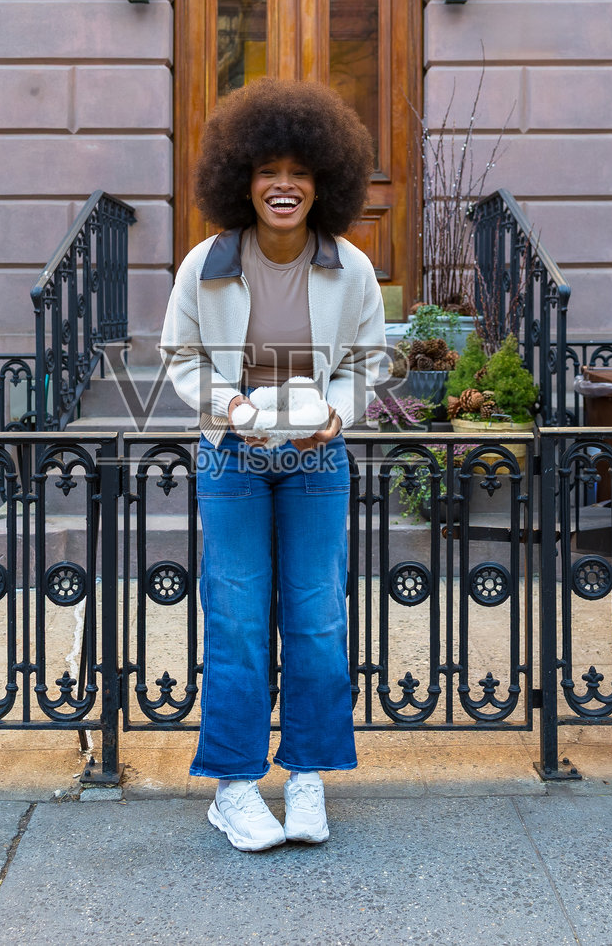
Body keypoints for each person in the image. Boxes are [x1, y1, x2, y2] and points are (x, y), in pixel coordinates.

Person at [160, 77, 386, 851]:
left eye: (299, 171)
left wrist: (336, 414)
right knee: (235, 616)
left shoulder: (350, 268)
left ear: (324, 181)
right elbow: (181, 358)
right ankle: (233, 783)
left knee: (319, 615)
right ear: (242, 180)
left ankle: (310, 774)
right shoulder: (205, 264)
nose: (283, 185)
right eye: (267, 171)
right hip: (233, 458)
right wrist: (230, 409)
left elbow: (367, 363)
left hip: (316, 458)